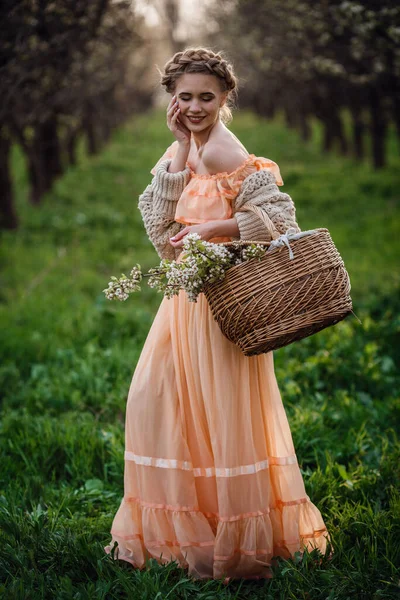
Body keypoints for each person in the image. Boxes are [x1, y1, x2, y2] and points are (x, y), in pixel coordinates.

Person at [104, 47, 330, 581]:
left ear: (226, 97)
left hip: (222, 305)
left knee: (217, 414)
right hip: (183, 301)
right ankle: (192, 528)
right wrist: (180, 147)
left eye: (207, 97)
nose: (196, 106)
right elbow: (160, 228)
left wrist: (215, 231)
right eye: (185, 97)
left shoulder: (229, 150)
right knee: (162, 403)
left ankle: (235, 535)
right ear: (172, 100)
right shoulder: (187, 144)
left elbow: (278, 216)